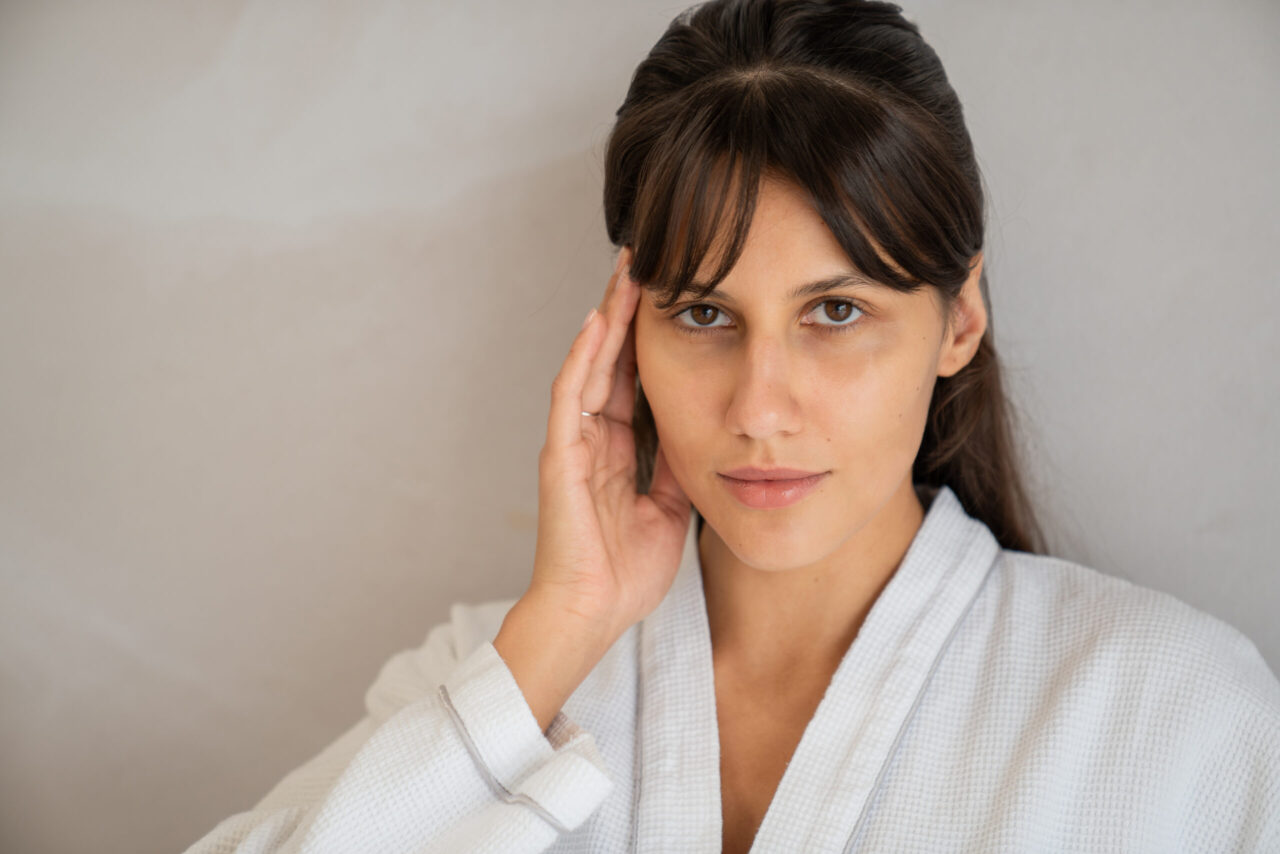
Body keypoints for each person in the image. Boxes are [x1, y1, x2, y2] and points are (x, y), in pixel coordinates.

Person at [184, 1, 1280, 852]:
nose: (758, 407)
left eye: (835, 311)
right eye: (703, 313)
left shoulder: (1174, 710)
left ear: (958, 318)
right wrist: (558, 630)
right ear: (626, 332)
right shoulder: (488, 672)